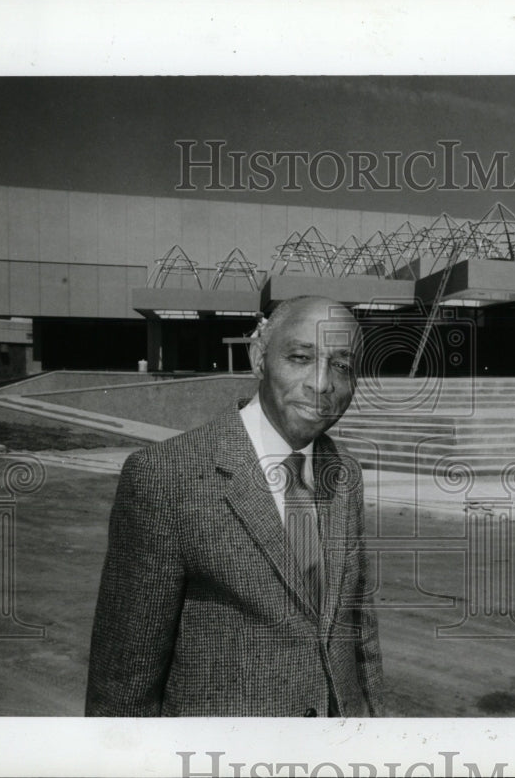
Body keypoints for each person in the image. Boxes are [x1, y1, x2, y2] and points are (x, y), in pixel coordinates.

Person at [85, 296, 384, 717]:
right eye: (300, 357)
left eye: (342, 366)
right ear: (259, 357)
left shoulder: (344, 473)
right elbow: (123, 681)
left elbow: (358, 631)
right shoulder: (167, 476)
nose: (322, 383)